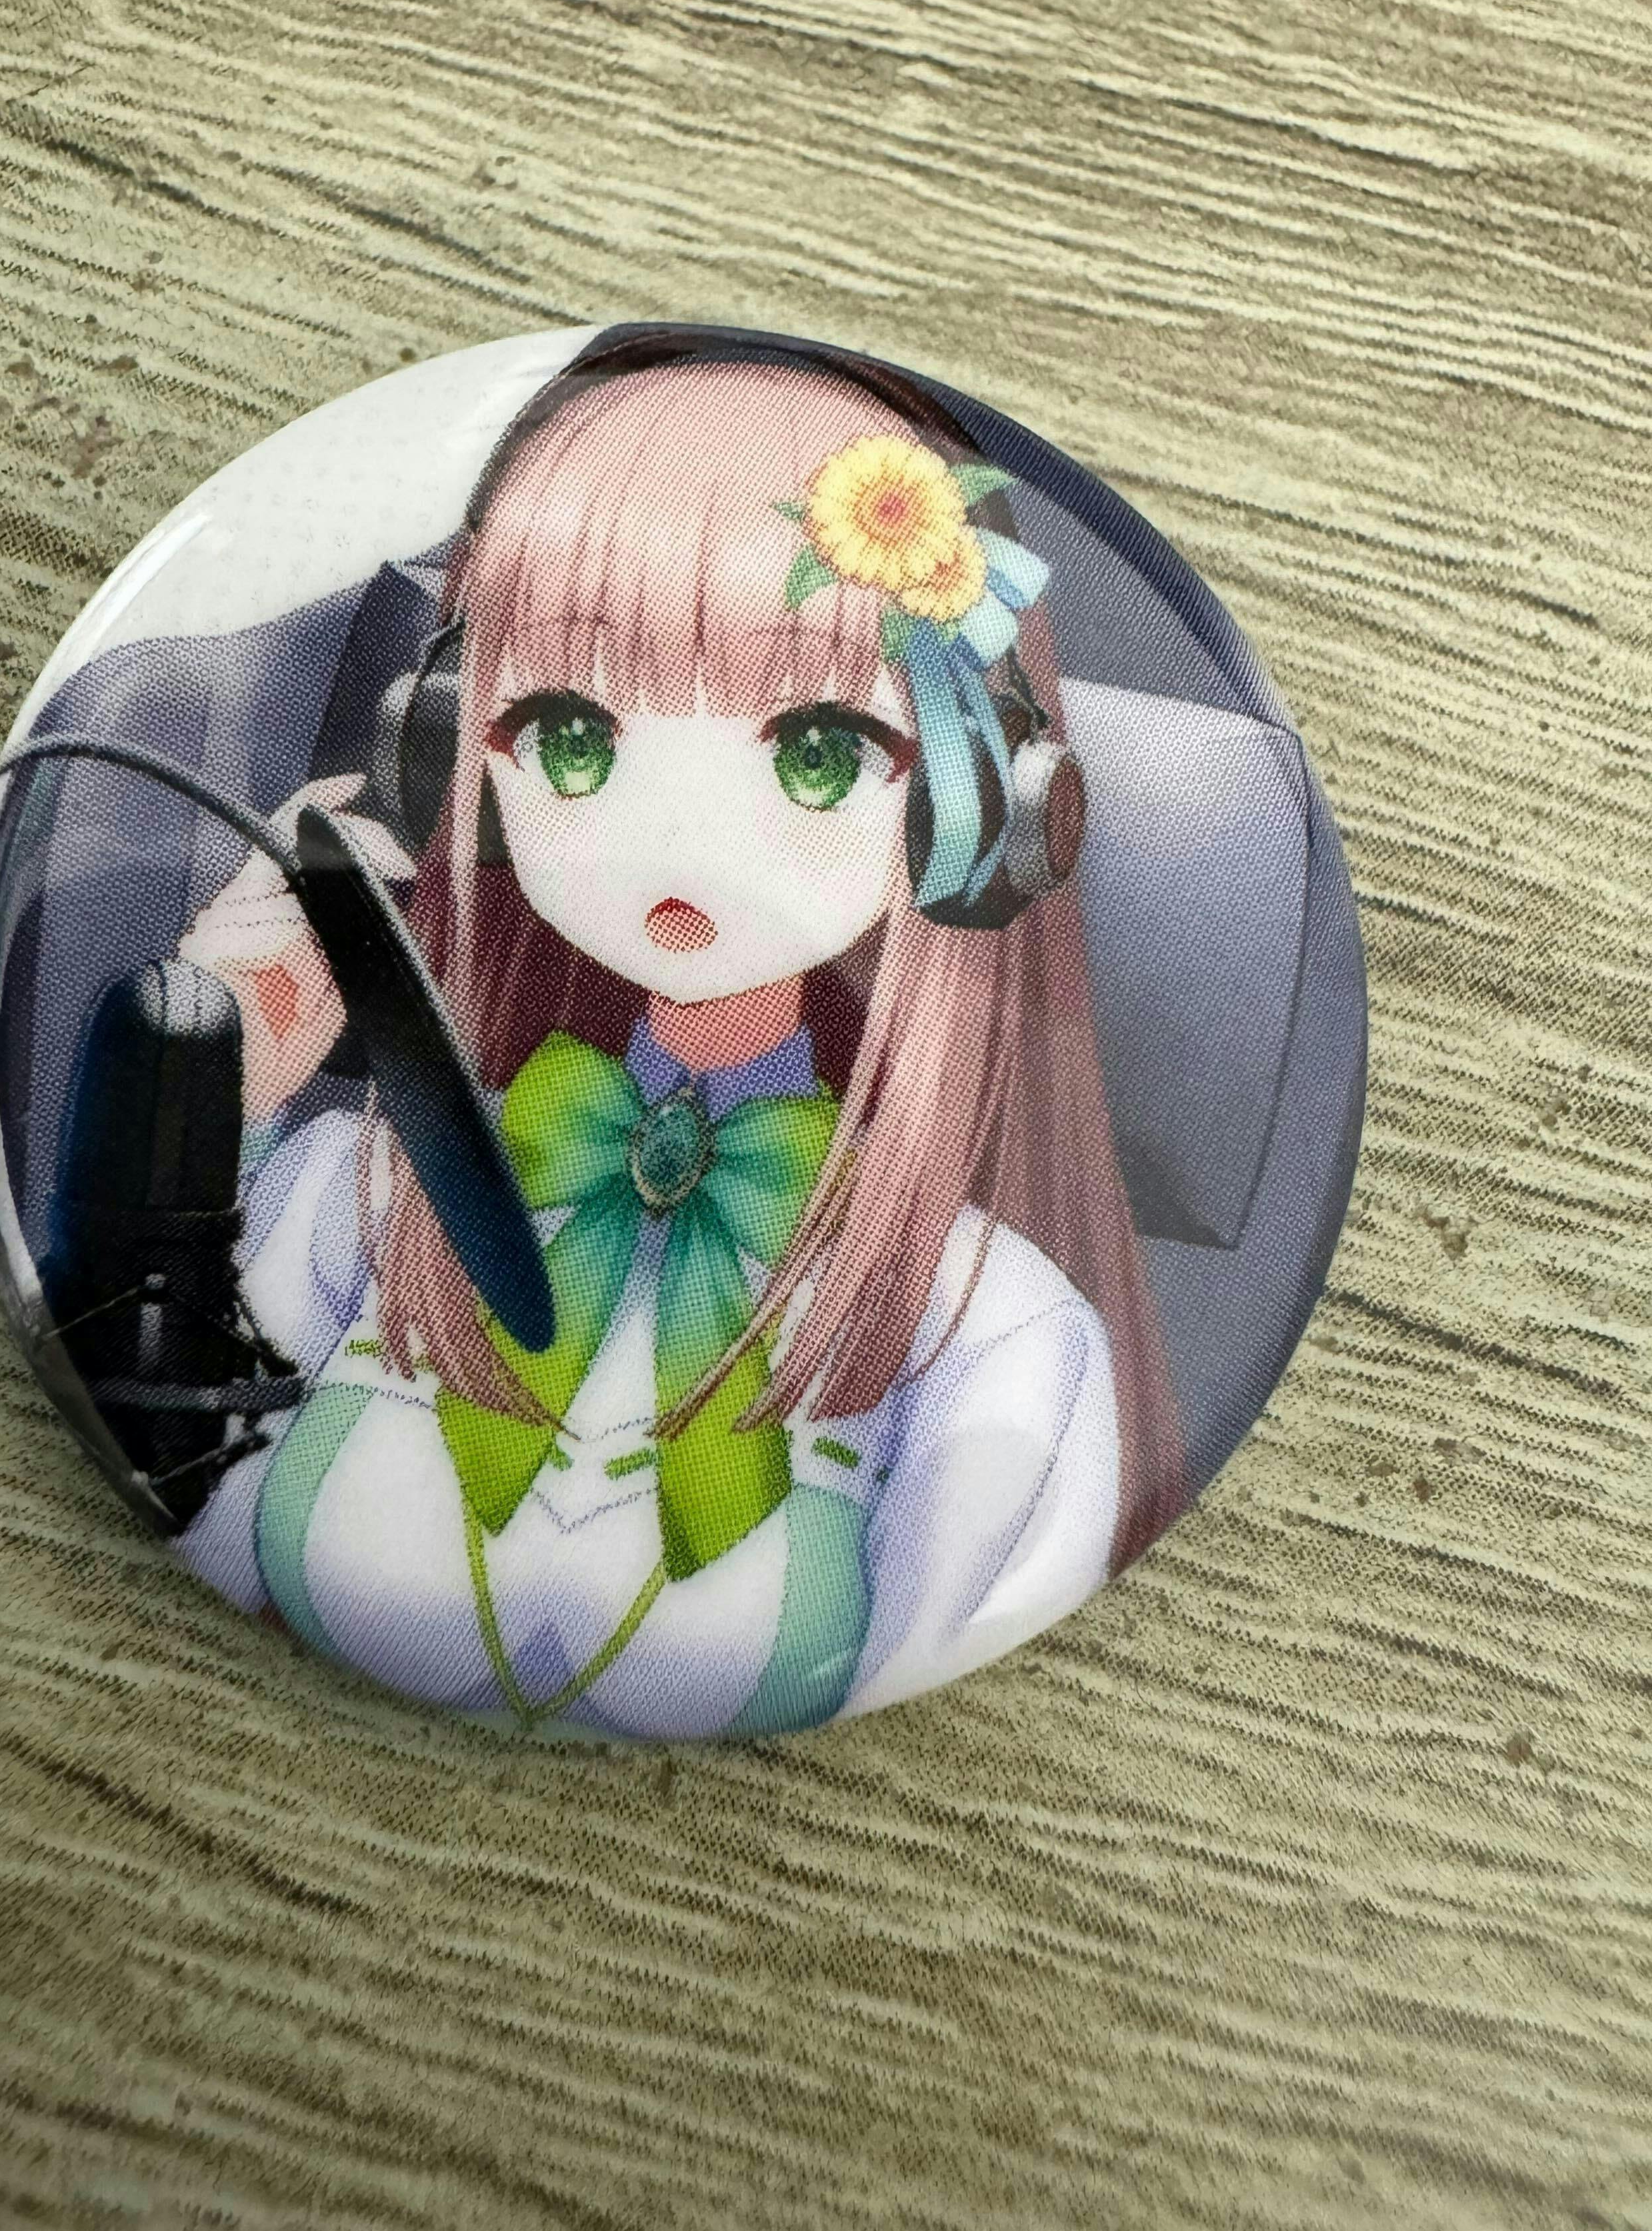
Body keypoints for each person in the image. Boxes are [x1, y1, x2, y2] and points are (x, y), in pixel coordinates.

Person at [169, 354, 1185, 1737]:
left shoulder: (994, 1340)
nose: (680, 840)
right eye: (571, 735)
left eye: (818, 751)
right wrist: (204, 1100)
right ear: (454, 756)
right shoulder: (356, 1203)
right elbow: (173, 1527)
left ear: (974, 816)